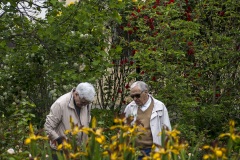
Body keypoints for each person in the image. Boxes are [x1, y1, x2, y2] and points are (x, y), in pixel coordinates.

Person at [44, 82, 96, 159]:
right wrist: (59, 140)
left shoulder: (86, 103)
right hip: (61, 152)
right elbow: (48, 127)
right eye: (83, 102)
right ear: (76, 94)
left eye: (87, 103)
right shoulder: (60, 104)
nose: (85, 105)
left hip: (80, 151)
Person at [124, 81, 171, 160]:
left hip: (153, 151)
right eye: (132, 96)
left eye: (137, 95)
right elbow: (124, 129)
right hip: (135, 151)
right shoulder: (130, 107)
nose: (135, 99)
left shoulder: (159, 106)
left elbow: (167, 130)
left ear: (146, 92)